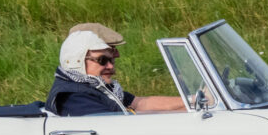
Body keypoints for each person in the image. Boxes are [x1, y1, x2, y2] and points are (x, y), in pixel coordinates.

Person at [46, 25, 187, 116]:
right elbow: (124, 122)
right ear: (78, 60)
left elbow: (139, 103)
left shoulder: (96, 86)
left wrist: (192, 102)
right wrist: (183, 113)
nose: (111, 66)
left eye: (111, 59)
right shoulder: (74, 97)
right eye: (102, 60)